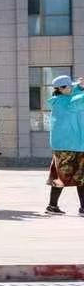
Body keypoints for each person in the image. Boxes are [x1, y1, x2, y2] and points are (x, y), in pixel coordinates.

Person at [46, 75, 84, 214]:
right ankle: (52, 206)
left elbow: (75, 93)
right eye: (68, 87)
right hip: (65, 145)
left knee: (81, 177)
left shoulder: (68, 95)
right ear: (60, 89)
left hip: (78, 143)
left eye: (71, 86)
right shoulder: (60, 101)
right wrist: (81, 89)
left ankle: (82, 208)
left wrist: (79, 86)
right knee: (60, 176)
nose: (70, 88)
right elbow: (77, 100)